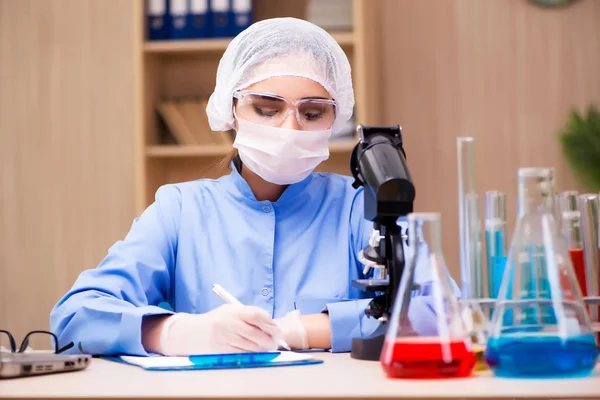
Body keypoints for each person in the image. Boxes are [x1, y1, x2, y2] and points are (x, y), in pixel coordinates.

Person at [50, 18, 455, 356]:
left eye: (312, 112)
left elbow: (443, 309)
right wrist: (176, 333)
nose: (290, 128)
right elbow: (74, 318)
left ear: (336, 119)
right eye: (267, 108)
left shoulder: (357, 208)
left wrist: (300, 331)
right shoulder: (180, 211)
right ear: (231, 110)